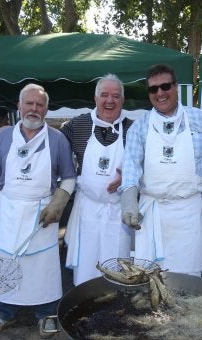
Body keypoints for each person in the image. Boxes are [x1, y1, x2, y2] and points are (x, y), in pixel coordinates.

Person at [0, 84, 76, 336]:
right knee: (8, 265)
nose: (34, 109)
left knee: (42, 268)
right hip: (11, 214)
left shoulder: (57, 139)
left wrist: (57, 204)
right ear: (18, 106)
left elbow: (68, 178)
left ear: (46, 109)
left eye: (40, 104)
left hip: (42, 216)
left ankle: (46, 314)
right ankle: (4, 314)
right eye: (29, 103)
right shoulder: (2, 137)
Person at [120, 64, 202, 276]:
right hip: (151, 212)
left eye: (165, 86)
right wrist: (129, 203)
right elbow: (130, 168)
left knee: (187, 277)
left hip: (188, 211)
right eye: (153, 89)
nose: (160, 93)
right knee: (150, 277)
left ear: (176, 87)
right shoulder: (139, 126)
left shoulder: (199, 118)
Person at [62, 74, 133, 286]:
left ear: (122, 100)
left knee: (119, 269)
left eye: (115, 96)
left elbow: (147, 164)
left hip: (118, 212)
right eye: (104, 95)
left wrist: (128, 175)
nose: (109, 100)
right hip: (88, 210)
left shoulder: (134, 128)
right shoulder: (76, 126)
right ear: (95, 98)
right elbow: (56, 153)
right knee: (86, 268)